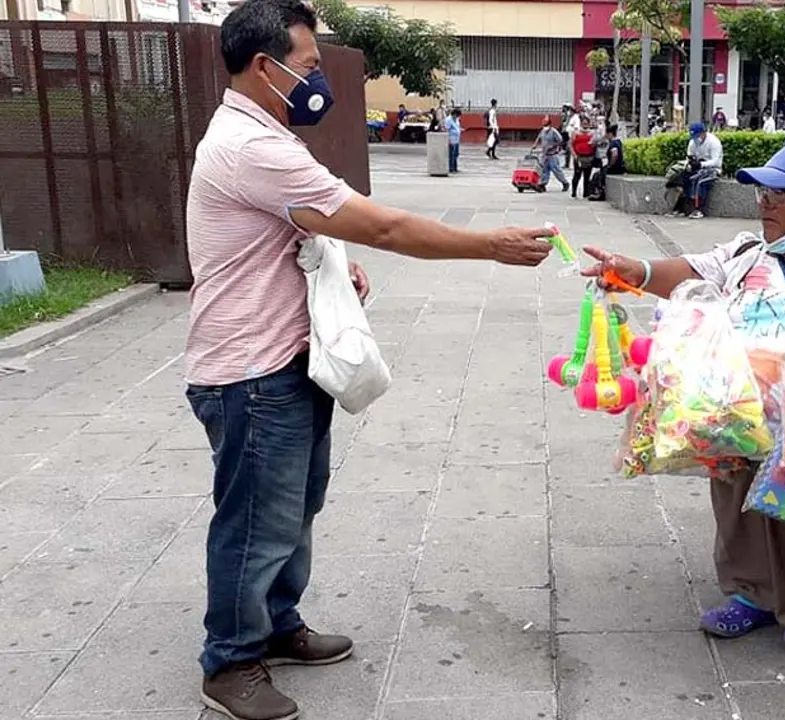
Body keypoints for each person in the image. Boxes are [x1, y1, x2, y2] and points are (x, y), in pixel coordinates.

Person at [185, 3, 553, 719]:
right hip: (252, 373)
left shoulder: (261, 133)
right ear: (267, 68)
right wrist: (489, 245)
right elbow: (380, 222)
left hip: (288, 360)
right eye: (311, 65)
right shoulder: (250, 146)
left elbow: (294, 231)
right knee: (257, 519)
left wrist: (324, 271)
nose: (318, 78)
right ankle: (229, 662)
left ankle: (278, 625)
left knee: (293, 509)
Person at [579, 142, 785, 658]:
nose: (765, 204)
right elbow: (685, 273)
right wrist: (631, 270)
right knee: (737, 503)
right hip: (741, 412)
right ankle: (750, 592)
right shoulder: (741, 255)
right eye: (763, 192)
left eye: (781, 195)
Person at [672, 122, 722, 219]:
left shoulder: (714, 142)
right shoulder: (692, 143)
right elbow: (689, 156)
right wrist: (690, 163)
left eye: (697, 136)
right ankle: (682, 208)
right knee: (682, 179)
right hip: (696, 167)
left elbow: (716, 161)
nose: (696, 139)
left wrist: (701, 164)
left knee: (699, 181)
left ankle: (698, 209)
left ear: (703, 133)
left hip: (712, 169)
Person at [588, 123, 625, 202]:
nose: (606, 136)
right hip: (619, 167)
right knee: (598, 174)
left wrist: (610, 165)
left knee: (598, 175)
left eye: (607, 134)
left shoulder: (613, 143)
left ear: (610, 134)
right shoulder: (618, 141)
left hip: (615, 168)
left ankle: (600, 192)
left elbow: (614, 154)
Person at [533, 114, 569, 192]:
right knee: (544, 170)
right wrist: (535, 144)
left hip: (553, 154)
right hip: (545, 154)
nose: (544, 126)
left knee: (556, 170)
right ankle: (543, 184)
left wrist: (553, 146)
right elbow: (539, 137)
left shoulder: (554, 132)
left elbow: (560, 141)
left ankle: (565, 182)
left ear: (549, 124)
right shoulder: (543, 130)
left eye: (546, 124)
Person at [444, 107, 462, 173]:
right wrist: (449, 140)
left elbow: (457, 127)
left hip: (456, 139)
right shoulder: (448, 120)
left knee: (456, 154)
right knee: (451, 154)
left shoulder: (456, 119)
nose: (457, 117)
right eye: (456, 116)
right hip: (451, 139)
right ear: (454, 114)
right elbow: (447, 130)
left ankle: (455, 167)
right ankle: (451, 168)